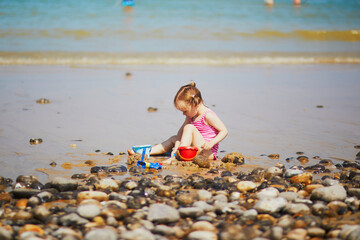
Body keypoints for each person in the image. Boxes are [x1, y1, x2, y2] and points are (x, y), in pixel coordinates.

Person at [128, 82, 228, 163]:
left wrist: (212, 143)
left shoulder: (208, 115)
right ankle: (146, 152)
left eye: (185, 111)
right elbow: (181, 132)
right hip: (194, 149)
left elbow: (224, 131)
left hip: (207, 152)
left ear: (196, 104)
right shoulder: (191, 116)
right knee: (174, 138)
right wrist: (177, 144)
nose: (183, 114)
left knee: (189, 127)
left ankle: (177, 156)